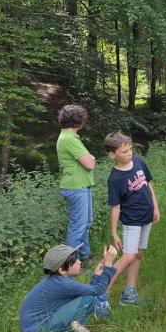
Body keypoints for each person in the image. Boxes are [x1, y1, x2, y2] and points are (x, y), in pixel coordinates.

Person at [103, 132, 160, 309]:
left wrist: (155, 207)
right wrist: (114, 233)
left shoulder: (139, 163)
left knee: (138, 255)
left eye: (130, 149)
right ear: (112, 155)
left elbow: (148, 184)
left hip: (146, 217)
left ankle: (129, 293)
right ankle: (102, 293)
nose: (129, 154)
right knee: (128, 256)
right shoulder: (114, 179)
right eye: (124, 151)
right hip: (132, 221)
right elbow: (115, 207)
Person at [19, 244, 117, 332]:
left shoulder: (57, 280)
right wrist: (108, 264)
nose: (79, 261)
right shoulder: (63, 284)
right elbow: (98, 290)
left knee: (87, 298)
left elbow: (88, 292)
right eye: (75, 261)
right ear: (62, 270)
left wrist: (96, 275)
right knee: (89, 300)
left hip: (33, 331)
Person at [56, 104, 96, 264]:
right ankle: (70, 264)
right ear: (78, 121)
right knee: (78, 226)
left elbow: (88, 159)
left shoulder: (68, 137)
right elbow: (90, 163)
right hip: (76, 187)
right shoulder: (70, 139)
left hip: (80, 185)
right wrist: (92, 158)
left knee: (85, 223)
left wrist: (90, 158)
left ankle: (85, 256)